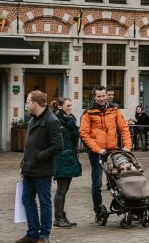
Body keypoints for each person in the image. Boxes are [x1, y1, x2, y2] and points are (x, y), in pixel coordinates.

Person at [16, 90, 63, 243]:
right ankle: (32, 233)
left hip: (43, 170)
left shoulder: (52, 120)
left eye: (28, 102)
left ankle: (44, 234)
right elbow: (28, 145)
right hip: (29, 169)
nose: (27, 105)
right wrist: (24, 164)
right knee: (27, 200)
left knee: (44, 202)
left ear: (35, 103)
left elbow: (58, 146)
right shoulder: (32, 120)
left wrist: (39, 156)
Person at [80, 86, 133, 221]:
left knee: (118, 179)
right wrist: (97, 149)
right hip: (96, 152)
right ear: (94, 97)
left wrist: (127, 146)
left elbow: (124, 128)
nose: (102, 98)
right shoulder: (88, 113)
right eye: (99, 96)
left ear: (106, 95)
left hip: (112, 150)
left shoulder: (114, 110)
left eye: (103, 96)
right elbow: (84, 134)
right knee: (97, 183)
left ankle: (126, 205)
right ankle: (98, 210)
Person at [51, 98, 81, 229]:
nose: (70, 108)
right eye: (67, 106)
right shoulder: (56, 121)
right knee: (61, 190)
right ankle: (58, 218)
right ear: (59, 106)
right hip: (61, 158)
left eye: (70, 105)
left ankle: (62, 216)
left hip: (70, 156)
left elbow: (75, 138)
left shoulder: (71, 119)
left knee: (65, 189)